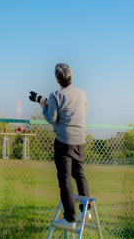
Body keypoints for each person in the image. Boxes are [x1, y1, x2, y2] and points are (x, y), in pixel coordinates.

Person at [39, 63, 90, 230]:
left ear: (57, 80)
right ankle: (86, 210)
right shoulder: (82, 94)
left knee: (65, 179)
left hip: (63, 142)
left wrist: (43, 107)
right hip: (80, 141)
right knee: (79, 174)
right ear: (72, 76)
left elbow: (51, 119)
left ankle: (70, 218)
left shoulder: (55, 95)